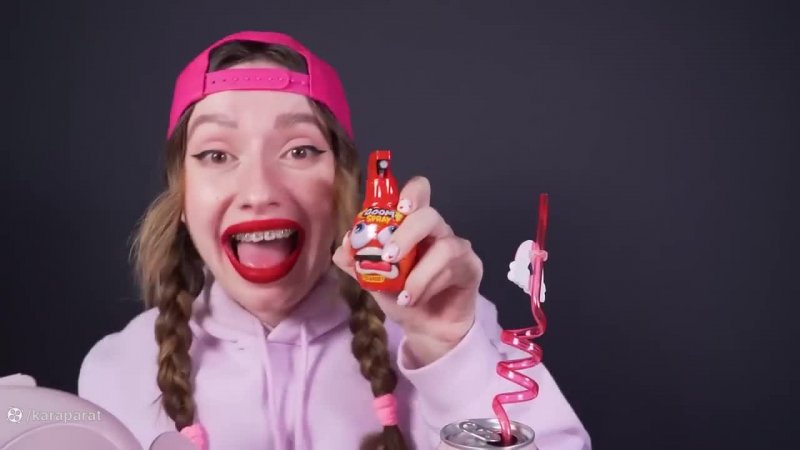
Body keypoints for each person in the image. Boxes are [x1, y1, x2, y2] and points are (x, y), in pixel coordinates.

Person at [78, 31, 590, 450]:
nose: (259, 192)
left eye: (300, 151)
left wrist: (451, 356)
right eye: (216, 155)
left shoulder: (447, 331)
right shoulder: (117, 370)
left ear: (346, 187)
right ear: (183, 196)